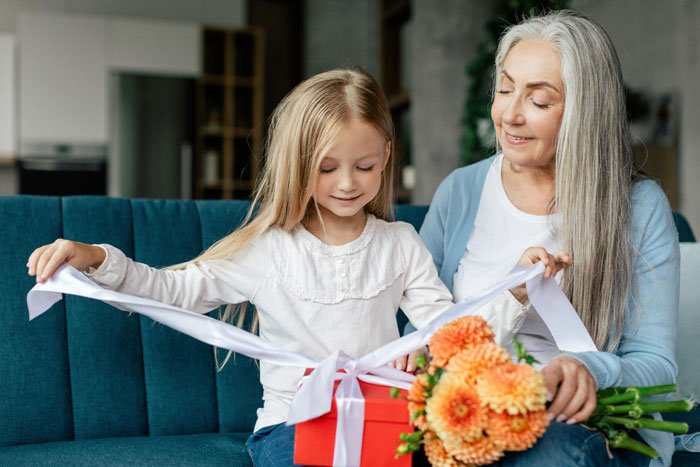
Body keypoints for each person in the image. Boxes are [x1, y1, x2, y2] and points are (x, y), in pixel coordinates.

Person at [26, 68, 568, 467]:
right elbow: (172, 292)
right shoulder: (268, 248)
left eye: (364, 165)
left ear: (385, 154)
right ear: (297, 163)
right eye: (327, 168)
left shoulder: (401, 243)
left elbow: (452, 336)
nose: (348, 184)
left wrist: (514, 289)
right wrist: (96, 259)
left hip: (386, 424)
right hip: (291, 427)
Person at [419, 10, 679, 467]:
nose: (509, 114)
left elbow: (656, 363)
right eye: (504, 89)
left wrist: (589, 371)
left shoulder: (639, 207)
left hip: (578, 428)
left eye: (539, 101)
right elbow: (415, 334)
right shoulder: (459, 191)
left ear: (584, 112)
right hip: (469, 418)